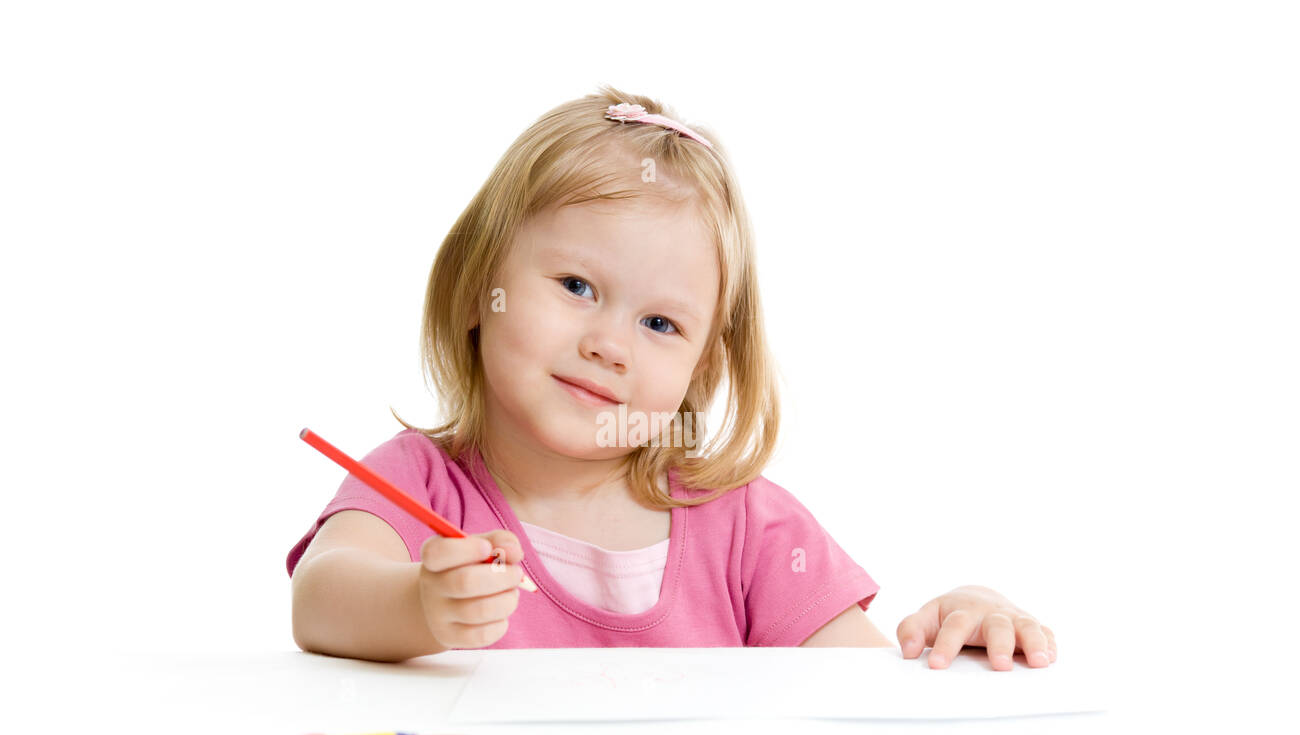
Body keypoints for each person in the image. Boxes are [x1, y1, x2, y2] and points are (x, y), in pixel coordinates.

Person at [287, 86, 1057, 668]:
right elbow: (321, 599)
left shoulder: (750, 529)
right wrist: (418, 605)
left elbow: (857, 685)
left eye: (660, 325)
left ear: (701, 369)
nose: (610, 346)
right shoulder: (417, 484)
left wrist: (958, 632)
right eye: (577, 288)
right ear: (475, 286)